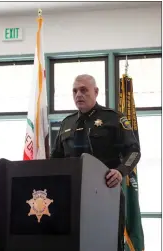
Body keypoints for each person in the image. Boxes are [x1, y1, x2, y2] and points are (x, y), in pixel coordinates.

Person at [50, 74, 141, 251]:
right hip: (72, 196)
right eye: (75, 91)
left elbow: (134, 151)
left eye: (84, 90)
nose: (78, 95)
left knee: (106, 244)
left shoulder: (114, 118)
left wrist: (120, 171)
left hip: (106, 192)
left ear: (96, 92)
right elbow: (56, 158)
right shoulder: (66, 123)